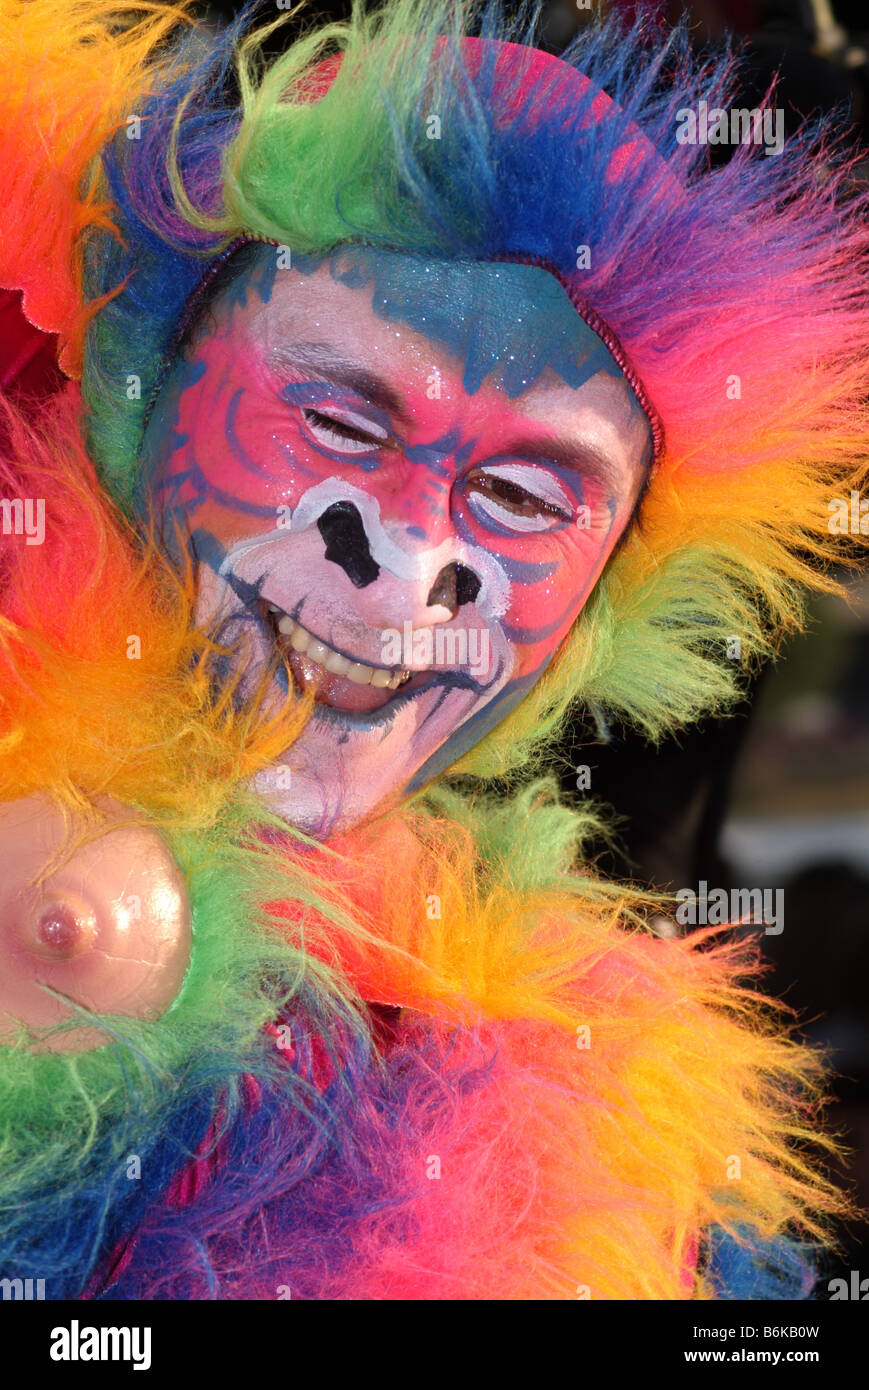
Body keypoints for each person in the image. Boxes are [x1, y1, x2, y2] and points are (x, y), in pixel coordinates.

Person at [0, 0, 866, 1300]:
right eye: (339, 421)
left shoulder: (617, 1101)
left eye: (524, 499)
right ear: (149, 391)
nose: (403, 565)